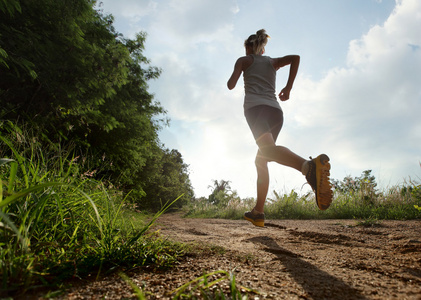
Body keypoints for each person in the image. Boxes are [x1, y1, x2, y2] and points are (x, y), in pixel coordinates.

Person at [227, 29, 332, 227]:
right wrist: (288, 87)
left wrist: (238, 71)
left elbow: (230, 85)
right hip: (275, 111)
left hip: (255, 109)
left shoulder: (244, 60)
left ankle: (308, 167)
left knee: (266, 152)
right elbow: (295, 58)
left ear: (248, 47)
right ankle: (258, 212)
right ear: (262, 47)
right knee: (262, 158)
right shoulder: (271, 62)